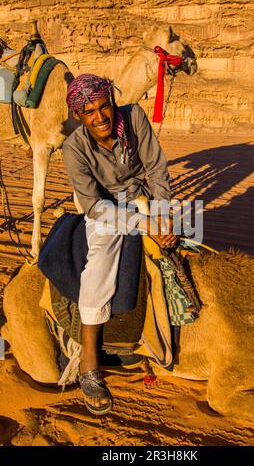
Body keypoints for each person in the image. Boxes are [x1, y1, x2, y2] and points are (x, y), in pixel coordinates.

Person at [62, 74, 177, 415]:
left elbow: (157, 170)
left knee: (186, 242)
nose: (100, 117)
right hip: (103, 208)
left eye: (104, 106)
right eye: (89, 112)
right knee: (102, 258)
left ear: (112, 102)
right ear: (78, 117)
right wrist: (146, 225)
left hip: (142, 199)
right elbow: (95, 206)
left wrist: (163, 216)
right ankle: (88, 364)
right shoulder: (74, 149)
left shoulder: (136, 117)